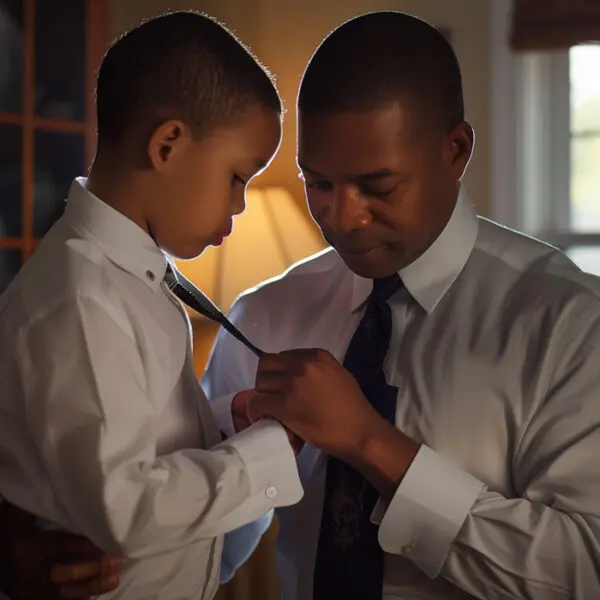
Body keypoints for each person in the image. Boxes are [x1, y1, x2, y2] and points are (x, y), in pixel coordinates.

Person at [5, 9, 600, 600]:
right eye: (318, 184)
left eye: (378, 186)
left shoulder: (569, 325)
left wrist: (371, 443)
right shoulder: (264, 316)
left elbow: (585, 570)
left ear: (455, 151)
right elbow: (194, 529)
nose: (342, 220)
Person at [0, 10, 303, 600]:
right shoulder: (81, 302)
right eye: (237, 177)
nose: (240, 206)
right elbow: (125, 507)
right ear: (168, 145)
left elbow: (135, 444)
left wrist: (223, 429)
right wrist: (268, 454)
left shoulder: (135, 281)